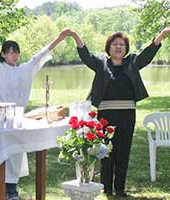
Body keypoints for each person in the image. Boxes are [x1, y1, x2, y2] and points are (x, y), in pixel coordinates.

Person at [63, 26, 170, 197]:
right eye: (115, 44)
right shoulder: (100, 64)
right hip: (106, 115)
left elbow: (147, 55)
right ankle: (107, 188)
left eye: (121, 44)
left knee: (123, 151)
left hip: (127, 114)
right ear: (109, 48)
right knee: (106, 151)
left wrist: (162, 35)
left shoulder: (133, 63)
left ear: (126, 48)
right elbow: (85, 55)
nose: (118, 47)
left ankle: (120, 188)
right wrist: (74, 35)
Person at [0, 18, 68, 200]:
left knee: (15, 156)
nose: (14, 55)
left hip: (17, 119)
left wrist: (58, 39)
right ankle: (1, 190)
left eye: (16, 52)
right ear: (3, 54)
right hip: (0, 119)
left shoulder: (23, 70)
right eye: (10, 52)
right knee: (1, 157)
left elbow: (39, 56)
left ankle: (12, 191)